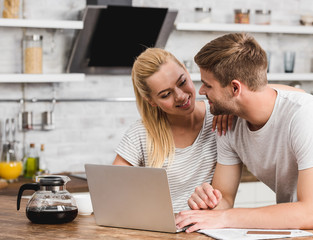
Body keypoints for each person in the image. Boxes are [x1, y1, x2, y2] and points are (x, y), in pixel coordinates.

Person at [175, 33, 313, 232]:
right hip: (295, 231)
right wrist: (209, 206)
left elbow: (312, 213)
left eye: (208, 85)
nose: (201, 91)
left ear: (235, 88)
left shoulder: (307, 116)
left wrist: (224, 217)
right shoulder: (228, 123)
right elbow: (225, 199)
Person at [112, 47, 298, 213]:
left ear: (186, 71)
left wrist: (235, 97)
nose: (180, 96)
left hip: (206, 228)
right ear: (151, 101)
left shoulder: (220, 114)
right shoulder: (141, 133)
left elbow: (297, 96)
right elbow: (113, 191)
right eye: (166, 94)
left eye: (182, 81)